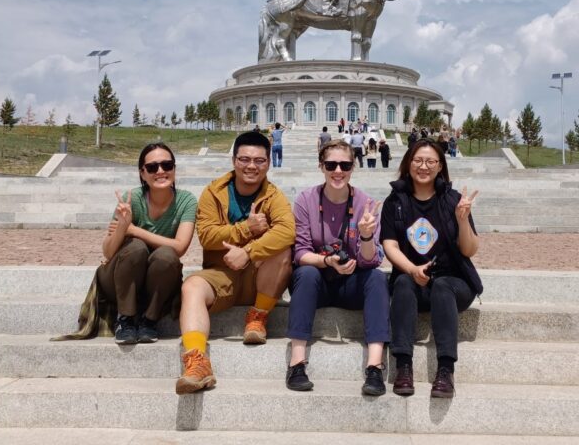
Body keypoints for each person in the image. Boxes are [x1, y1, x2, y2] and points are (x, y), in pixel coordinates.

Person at [175, 131, 295, 395]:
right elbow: (207, 236)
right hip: (222, 275)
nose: (251, 166)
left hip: (259, 278)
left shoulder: (274, 196)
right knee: (191, 286)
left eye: (259, 160)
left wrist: (248, 252)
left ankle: (258, 316)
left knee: (283, 251)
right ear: (234, 160)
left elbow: (287, 231)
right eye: (244, 159)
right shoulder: (213, 192)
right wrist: (246, 229)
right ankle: (197, 361)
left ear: (268, 163)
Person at [54, 143, 196, 345]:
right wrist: (122, 226)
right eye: (152, 167)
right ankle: (125, 319)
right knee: (136, 247)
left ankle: (149, 320)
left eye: (167, 165)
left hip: (157, 281)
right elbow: (108, 251)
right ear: (142, 173)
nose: (160, 171)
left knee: (167, 255)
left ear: (174, 168)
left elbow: (180, 247)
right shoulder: (132, 200)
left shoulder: (186, 201)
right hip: (119, 278)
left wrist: (134, 230)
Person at [381, 138, 482, 399]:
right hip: (413, 281)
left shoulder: (453, 200)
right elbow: (389, 245)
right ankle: (403, 366)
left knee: (443, 285)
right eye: (418, 160)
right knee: (403, 282)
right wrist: (412, 270)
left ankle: (445, 370)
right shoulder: (395, 201)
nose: (423, 166)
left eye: (430, 161)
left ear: (440, 166)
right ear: (408, 163)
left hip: (453, 284)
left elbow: (469, 250)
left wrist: (462, 221)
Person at [286, 140, 389, 396]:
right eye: (331, 165)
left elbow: (371, 260)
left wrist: (366, 235)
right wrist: (327, 261)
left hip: (351, 282)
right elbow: (300, 252)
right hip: (317, 282)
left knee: (377, 278)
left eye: (345, 165)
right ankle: (296, 364)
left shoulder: (365, 203)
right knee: (306, 273)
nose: (338, 171)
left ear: (353, 167)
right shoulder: (306, 200)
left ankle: (374, 367)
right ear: (321, 166)